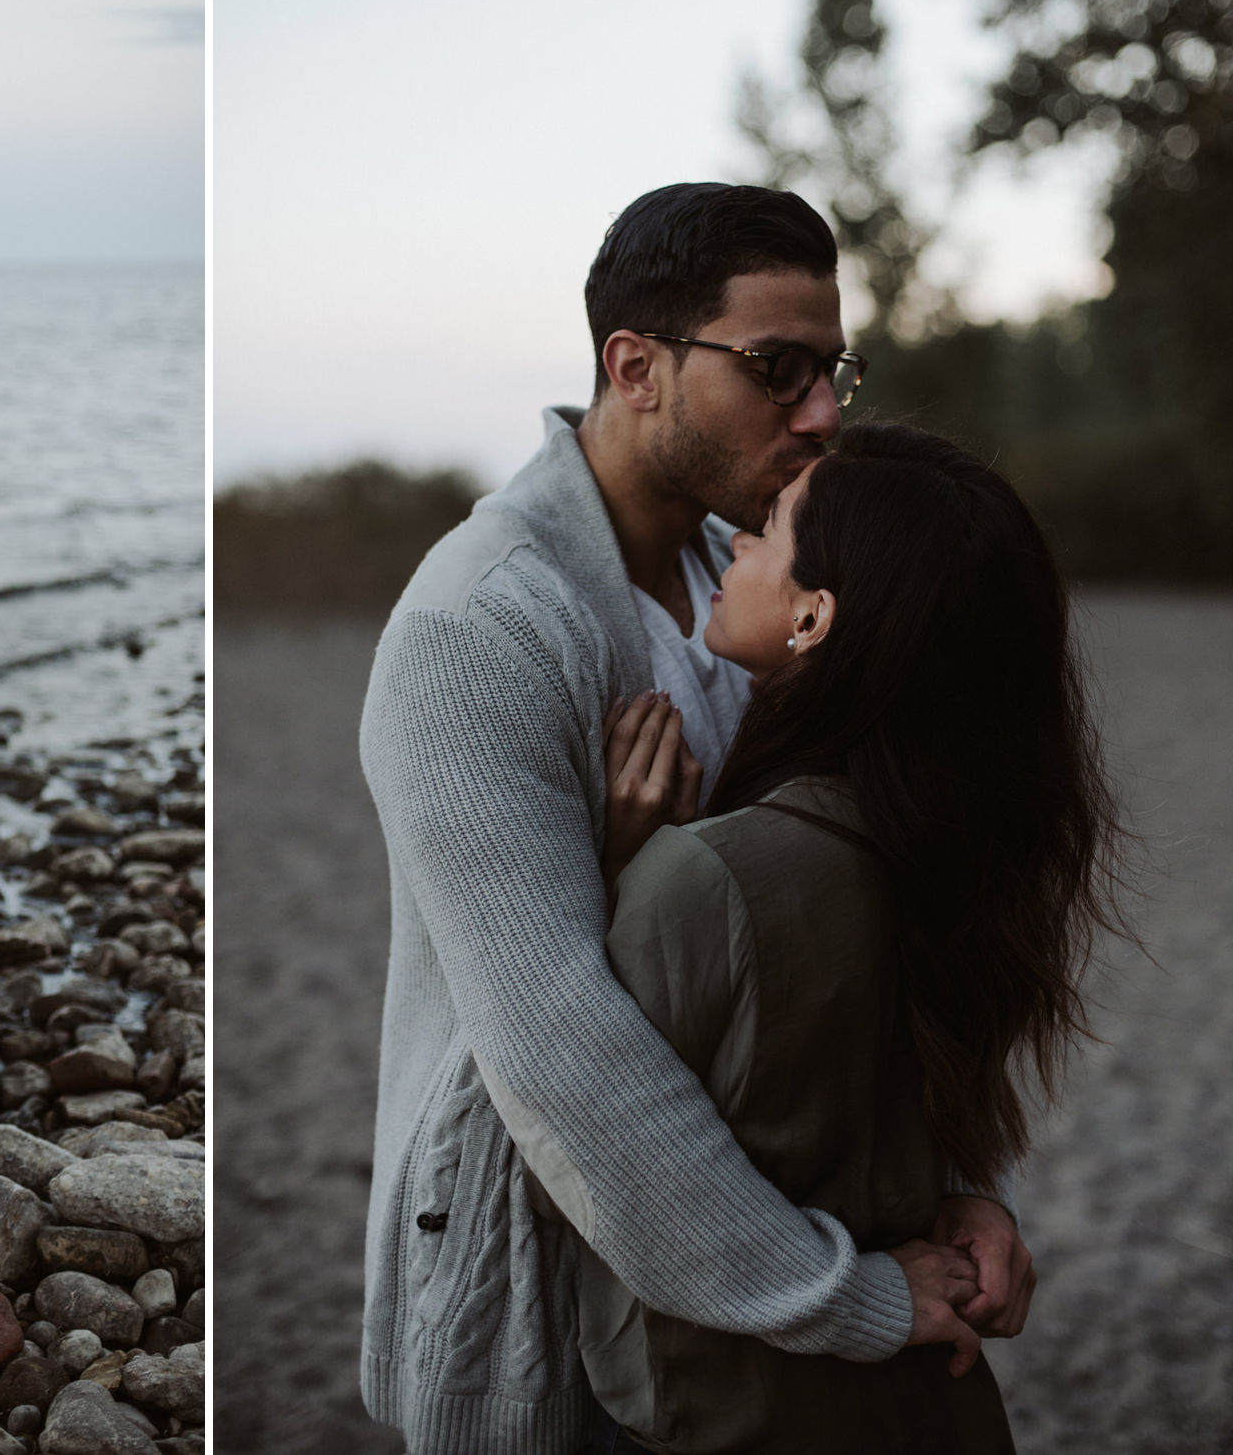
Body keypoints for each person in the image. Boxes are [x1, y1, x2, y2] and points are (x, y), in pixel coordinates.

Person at [357, 183, 1035, 1455]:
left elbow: (865, 922)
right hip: (553, 1290)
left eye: (831, 369)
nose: (823, 413)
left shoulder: (757, 581)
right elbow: (555, 1049)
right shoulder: (476, 632)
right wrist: (843, 1292)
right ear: (637, 367)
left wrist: (953, 1190)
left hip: (762, 1260)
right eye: (776, 370)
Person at [582, 424, 1124, 1452]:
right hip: (935, 1405)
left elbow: (596, 1142)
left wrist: (623, 874)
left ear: (811, 615)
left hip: (731, 1410)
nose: (735, 539)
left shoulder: (708, 877)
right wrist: (978, 1195)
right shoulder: (964, 852)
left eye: (772, 529)